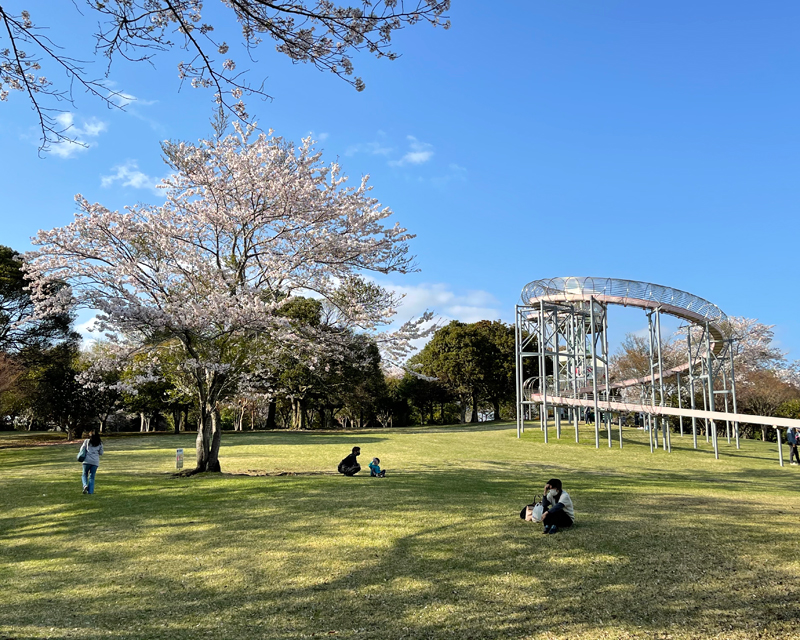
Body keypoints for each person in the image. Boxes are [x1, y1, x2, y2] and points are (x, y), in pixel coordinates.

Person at [79, 430, 104, 494]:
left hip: (86, 461)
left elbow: (81, 449)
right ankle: (90, 491)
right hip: (95, 461)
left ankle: (85, 485)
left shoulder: (86, 441)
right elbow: (101, 453)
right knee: (92, 476)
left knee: (84, 474)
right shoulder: (100, 443)